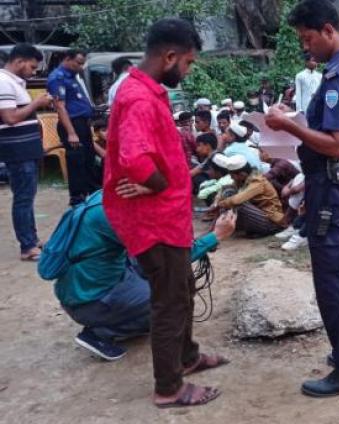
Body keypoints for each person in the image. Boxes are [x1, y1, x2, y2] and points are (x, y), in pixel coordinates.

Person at [103, 17, 225, 408]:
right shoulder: (137, 97)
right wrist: (155, 183)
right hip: (152, 221)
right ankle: (168, 387)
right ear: (169, 56)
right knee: (169, 300)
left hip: (167, 217)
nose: (187, 72)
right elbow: (135, 158)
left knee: (183, 289)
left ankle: (186, 357)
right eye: (187, 64)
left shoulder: (146, 91)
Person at [265, 0, 339, 396]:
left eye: (308, 37)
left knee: (333, 278)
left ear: (329, 30)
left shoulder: (337, 78)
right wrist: (297, 122)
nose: (306, 47)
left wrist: (288, 126)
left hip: (331, 186)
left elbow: (338, 144)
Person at [50, 190, 235, 360]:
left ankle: (126, 318)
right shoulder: (120, 216)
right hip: (90, 300)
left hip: (78, 291)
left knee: (155, 278)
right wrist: (215, 236)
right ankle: (100, 333)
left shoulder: (107, 197)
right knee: (171, 296)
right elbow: (168, 259)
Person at [0, 43, 52, 261]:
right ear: (19, 61)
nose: (33, 72)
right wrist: (37, 103)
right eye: (31, 67)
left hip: (25, 149)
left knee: (27, 197)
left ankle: (32, 239)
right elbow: (10, 118)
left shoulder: (15, 83)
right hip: (17, 150)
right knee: (23, 198)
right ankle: (27, 246)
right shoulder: (3, 82)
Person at [48, 48, 98, 206]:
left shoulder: (73, 76)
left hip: (82, 123)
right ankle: (77, 198)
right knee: (76, 161)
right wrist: (71, 133)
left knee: (88, 159)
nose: (81, 67)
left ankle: (93, 195)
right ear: (68, 59)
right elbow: (60, 107)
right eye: (78, 63)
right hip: (71, 124)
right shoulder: (57, 77)